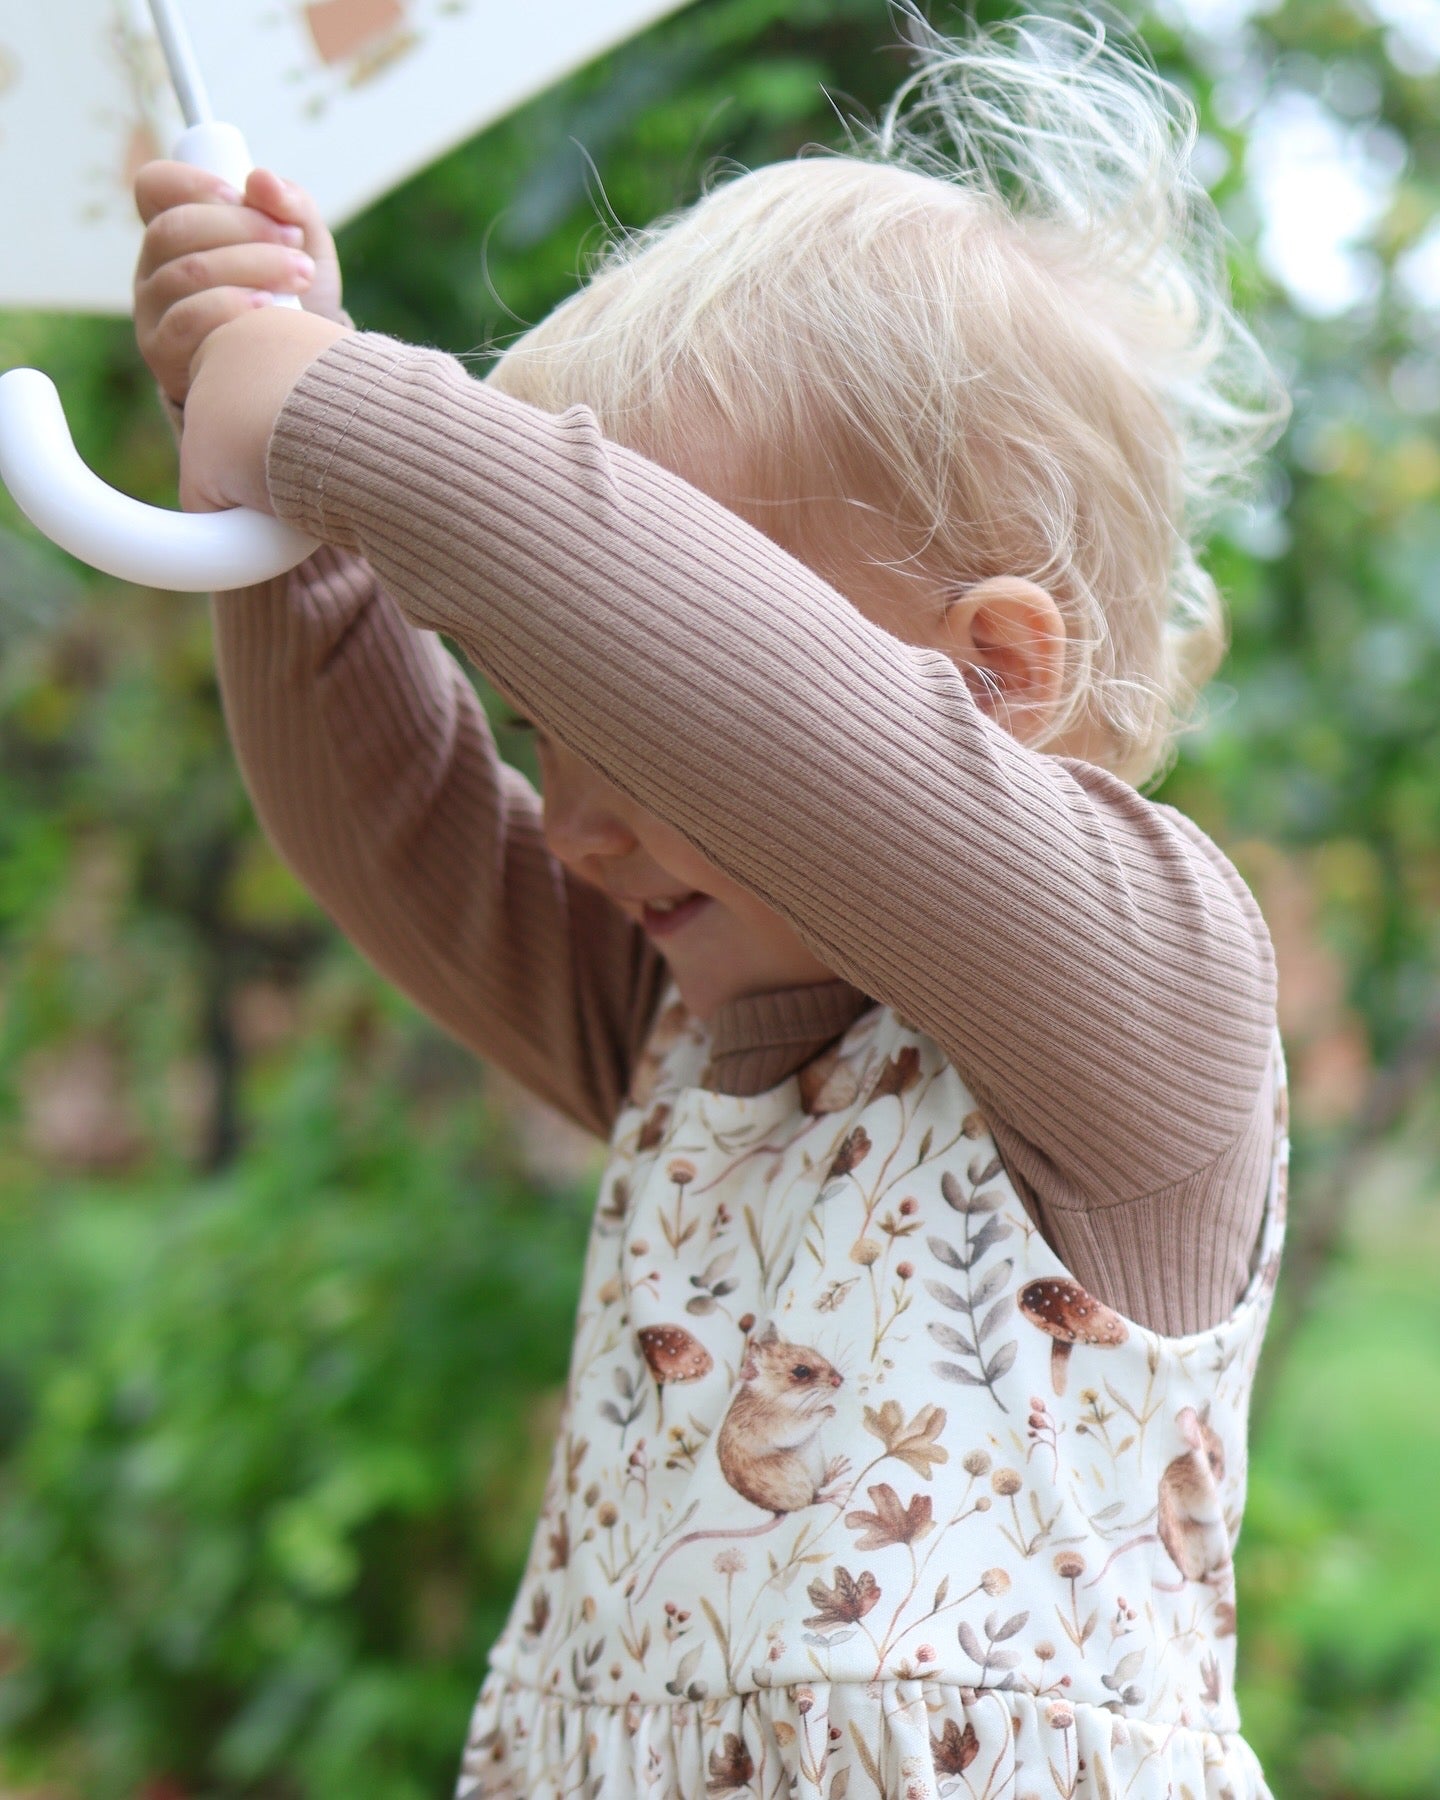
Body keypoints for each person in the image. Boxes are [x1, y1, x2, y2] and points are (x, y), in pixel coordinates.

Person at [132, 10, 1291, 1797]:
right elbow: (394, 813)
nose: (575, 822)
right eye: (546, 727)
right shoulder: (682, 1023)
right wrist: (279, 505)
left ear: (991, 676)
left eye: (628, 728)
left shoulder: (1142, 1005)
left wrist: (341, 409)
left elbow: (769, 715)